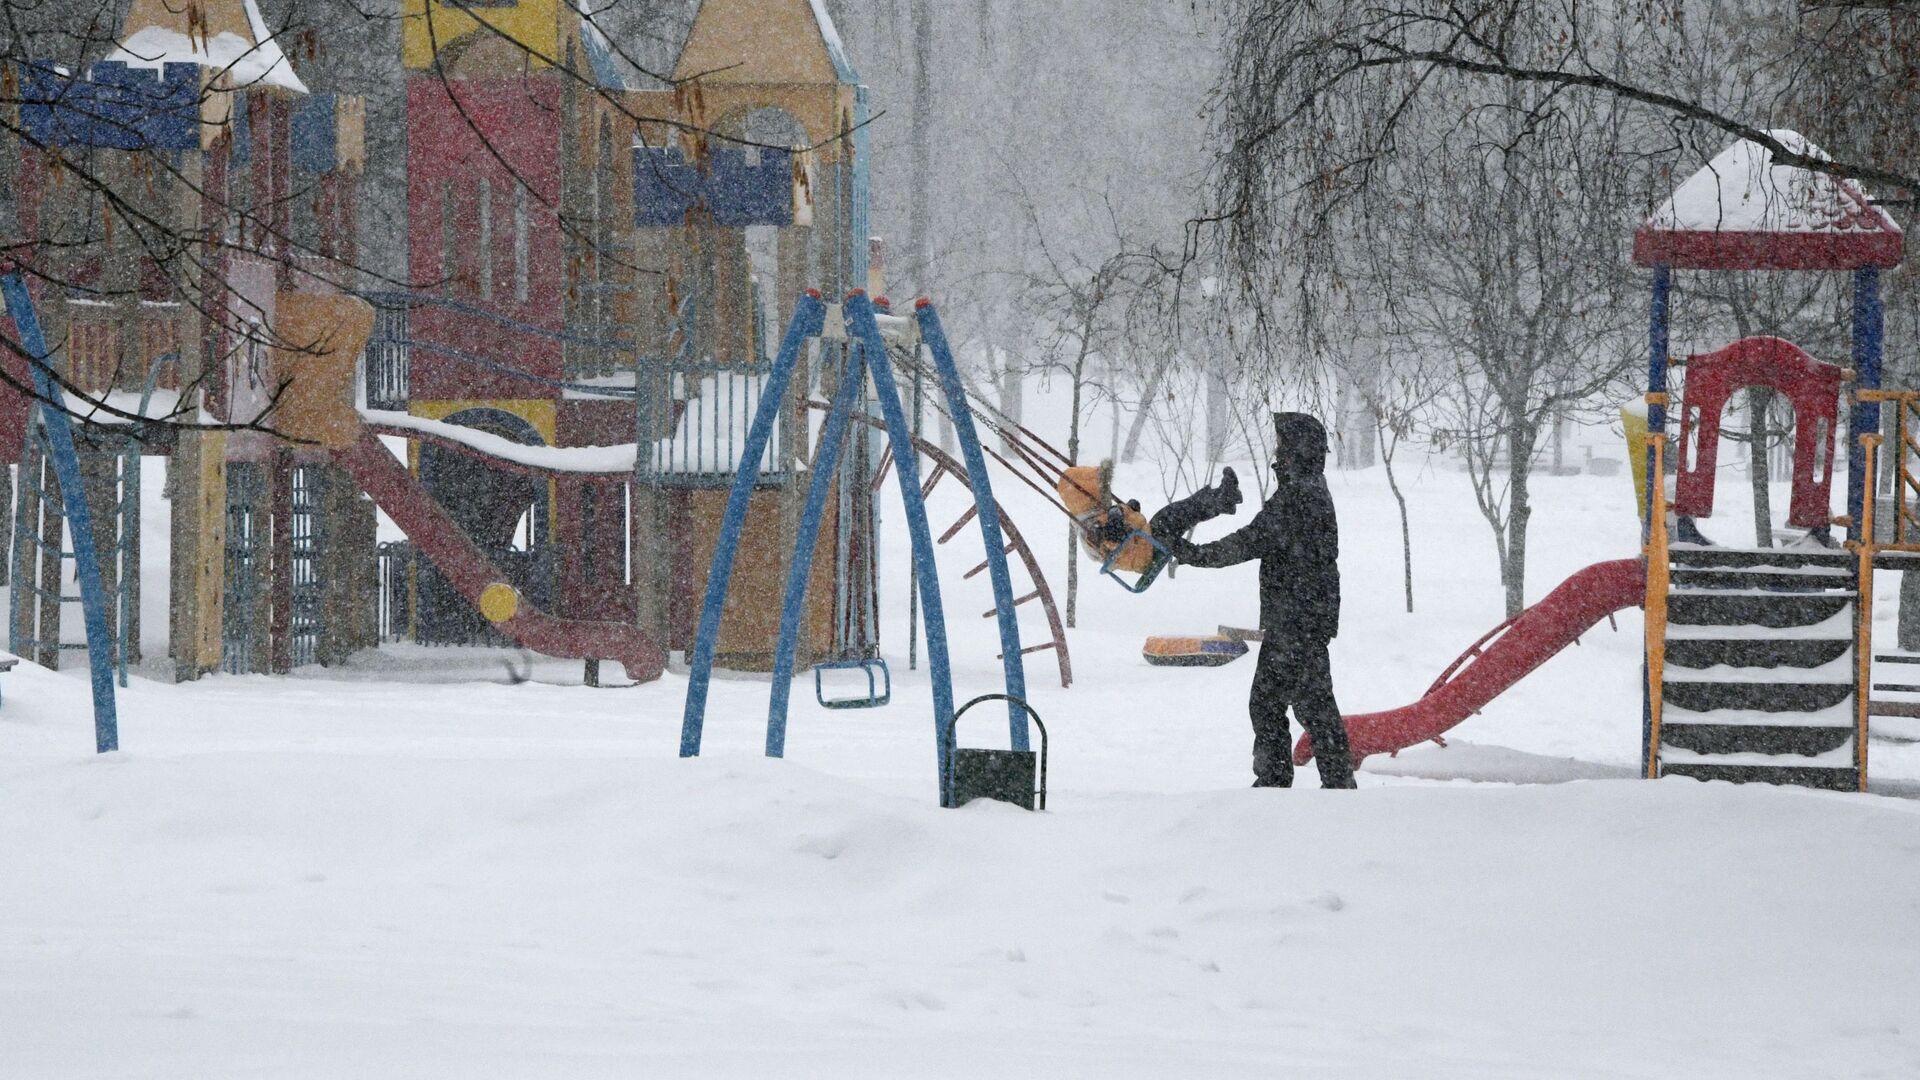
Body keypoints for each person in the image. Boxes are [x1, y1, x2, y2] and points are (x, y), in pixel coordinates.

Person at [1149, 412, 1356, 789]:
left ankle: (1284, 783)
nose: (1278, 453)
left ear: (1298, 451)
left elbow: (1247, 542)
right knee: (1308, 705)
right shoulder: (1304, 489)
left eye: (1283, 446)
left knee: (1280, 704)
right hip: (1301, 619)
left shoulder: (1299, 497)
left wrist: (1192, 553)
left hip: (1296, 622)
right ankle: (1326, 784)